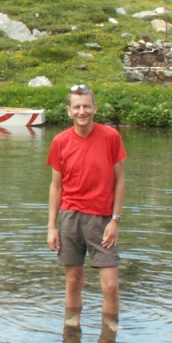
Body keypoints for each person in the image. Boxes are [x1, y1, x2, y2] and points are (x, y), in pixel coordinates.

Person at [47, 84, 126, 329]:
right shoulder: (60, 141)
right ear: (69, 110)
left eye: (87, 106)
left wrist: (115, 219)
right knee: (73, 280)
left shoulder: (111, 137)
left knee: (110, 284)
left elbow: (120, 179)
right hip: (70, 216)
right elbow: (56, 186)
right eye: (77, 107)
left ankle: (110, 329)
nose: (82, 111)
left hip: (102, 218)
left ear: (95, 108)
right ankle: (72, 325)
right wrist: (51, 227)